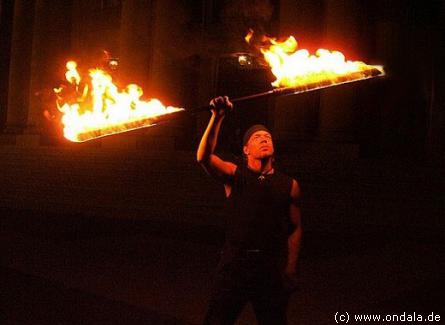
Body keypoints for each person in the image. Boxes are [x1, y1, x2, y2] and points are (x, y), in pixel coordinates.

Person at [197, 96, 302, 325]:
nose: (264, 139)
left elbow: (295, 227)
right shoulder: (236, 176)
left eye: (267, 137)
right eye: (257, 138)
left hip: (270, 268)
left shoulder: (289, 185)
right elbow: (203, 157)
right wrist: (217, 117)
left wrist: (290, 268)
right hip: (234, 266)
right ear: (246, 149)